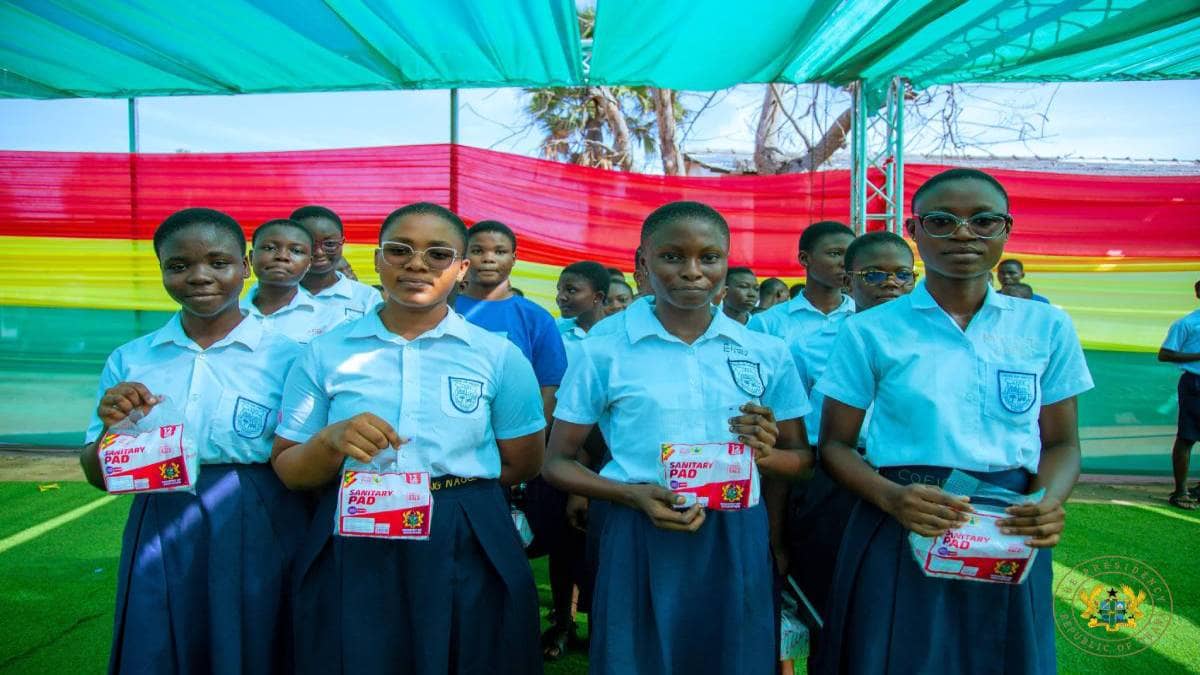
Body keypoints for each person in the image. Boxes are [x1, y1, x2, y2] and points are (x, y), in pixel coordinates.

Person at [813, 168, 1093, 673]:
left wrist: (1047, 501)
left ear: (1007, 229)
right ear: (914, 230)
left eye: (984, 221)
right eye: (942, 221)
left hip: (1009, 522)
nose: (964, 233)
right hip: (901, 516)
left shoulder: (1046, 325)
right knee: (896, 655)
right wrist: (891, 497)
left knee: (1001, 655)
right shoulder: (870, 330)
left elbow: (1062, 445)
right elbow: (834, 446)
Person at [272, 202, 546, 675]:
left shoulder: (498, 356)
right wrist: (331, 441)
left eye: (438, 254)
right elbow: (290, 468)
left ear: (461, 269)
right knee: (359, 651)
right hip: (356, 525)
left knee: (473, 650)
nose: (416, 264)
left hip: (466, 525)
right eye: (399, 250)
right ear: (377, 260)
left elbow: (523, 462)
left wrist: (453, 496)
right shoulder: (326, 352)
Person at [544, 201, 812, 675]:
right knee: (639, 657)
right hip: (639, 524)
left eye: (709, 257)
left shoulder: (765, 351)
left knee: (732, 657)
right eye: (672, 257)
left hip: (735, 528)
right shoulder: (606, 348)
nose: (693, 272)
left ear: (726, 262)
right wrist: (629, 494)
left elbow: (800, 460)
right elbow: (557, 463)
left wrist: (765, 454)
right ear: (643, 263)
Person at [79, 208, 307, 674]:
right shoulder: (133, 358)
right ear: (162, 270)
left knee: (260, 635)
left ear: (245, 265)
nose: (200, 277)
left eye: (218, 262)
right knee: (160, 636)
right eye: (178, 266)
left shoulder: (292, 357)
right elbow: (97, 474)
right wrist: (110, 429)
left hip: (264, 512)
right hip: (162, 517)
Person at [784, 230, 917, 630]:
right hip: (833, 478)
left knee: (896, 606)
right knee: (833, 601)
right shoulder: (811, 344)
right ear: (848, 281)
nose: (890, 284)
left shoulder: (928, 341)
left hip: (905, 477)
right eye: (875, 275)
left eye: (903, 276)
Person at [530, 260, 612, 659]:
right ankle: (562, 622)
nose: (562, 297)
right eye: (561, 289)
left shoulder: (617, 341)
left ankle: (601, 628)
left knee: (601, 554)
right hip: (563, 452)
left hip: (608, 459)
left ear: (598, 297)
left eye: (572, 290)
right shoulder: (555, 337)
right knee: (563, 547)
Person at [750, 220, 856, 452]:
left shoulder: (862, 321)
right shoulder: (767, 322)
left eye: (849, 255)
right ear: (804, 259)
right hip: (790, 449)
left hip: (855, 450)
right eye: (835, 253)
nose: (844, 263)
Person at [454, 220, 567, 424]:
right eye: (478, 250)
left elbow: (550, 386)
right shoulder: (443, 310)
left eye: (499, 252)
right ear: (464, 257)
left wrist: (532, 441)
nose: (488, 259)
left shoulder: (537, 318)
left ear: (514, 258)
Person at [242, 218, 343, 343]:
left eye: (296, 251)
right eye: (269, 248)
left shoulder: (330, 320)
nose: (282, 256)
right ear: (251, 258)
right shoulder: (229, 315)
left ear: (309, 263)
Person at [290, 205, 381, 320]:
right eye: (309, 243)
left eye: (330, 244)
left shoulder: (368, 298)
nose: (319, 252)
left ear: (342, 242)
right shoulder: (268, 294)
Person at [1159, 280, 1200, 510]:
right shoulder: (1187, 323)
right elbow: (1164, 354)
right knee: (1187, 436)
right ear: (1198, 292)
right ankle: (1180, 491)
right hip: (1195, 383)